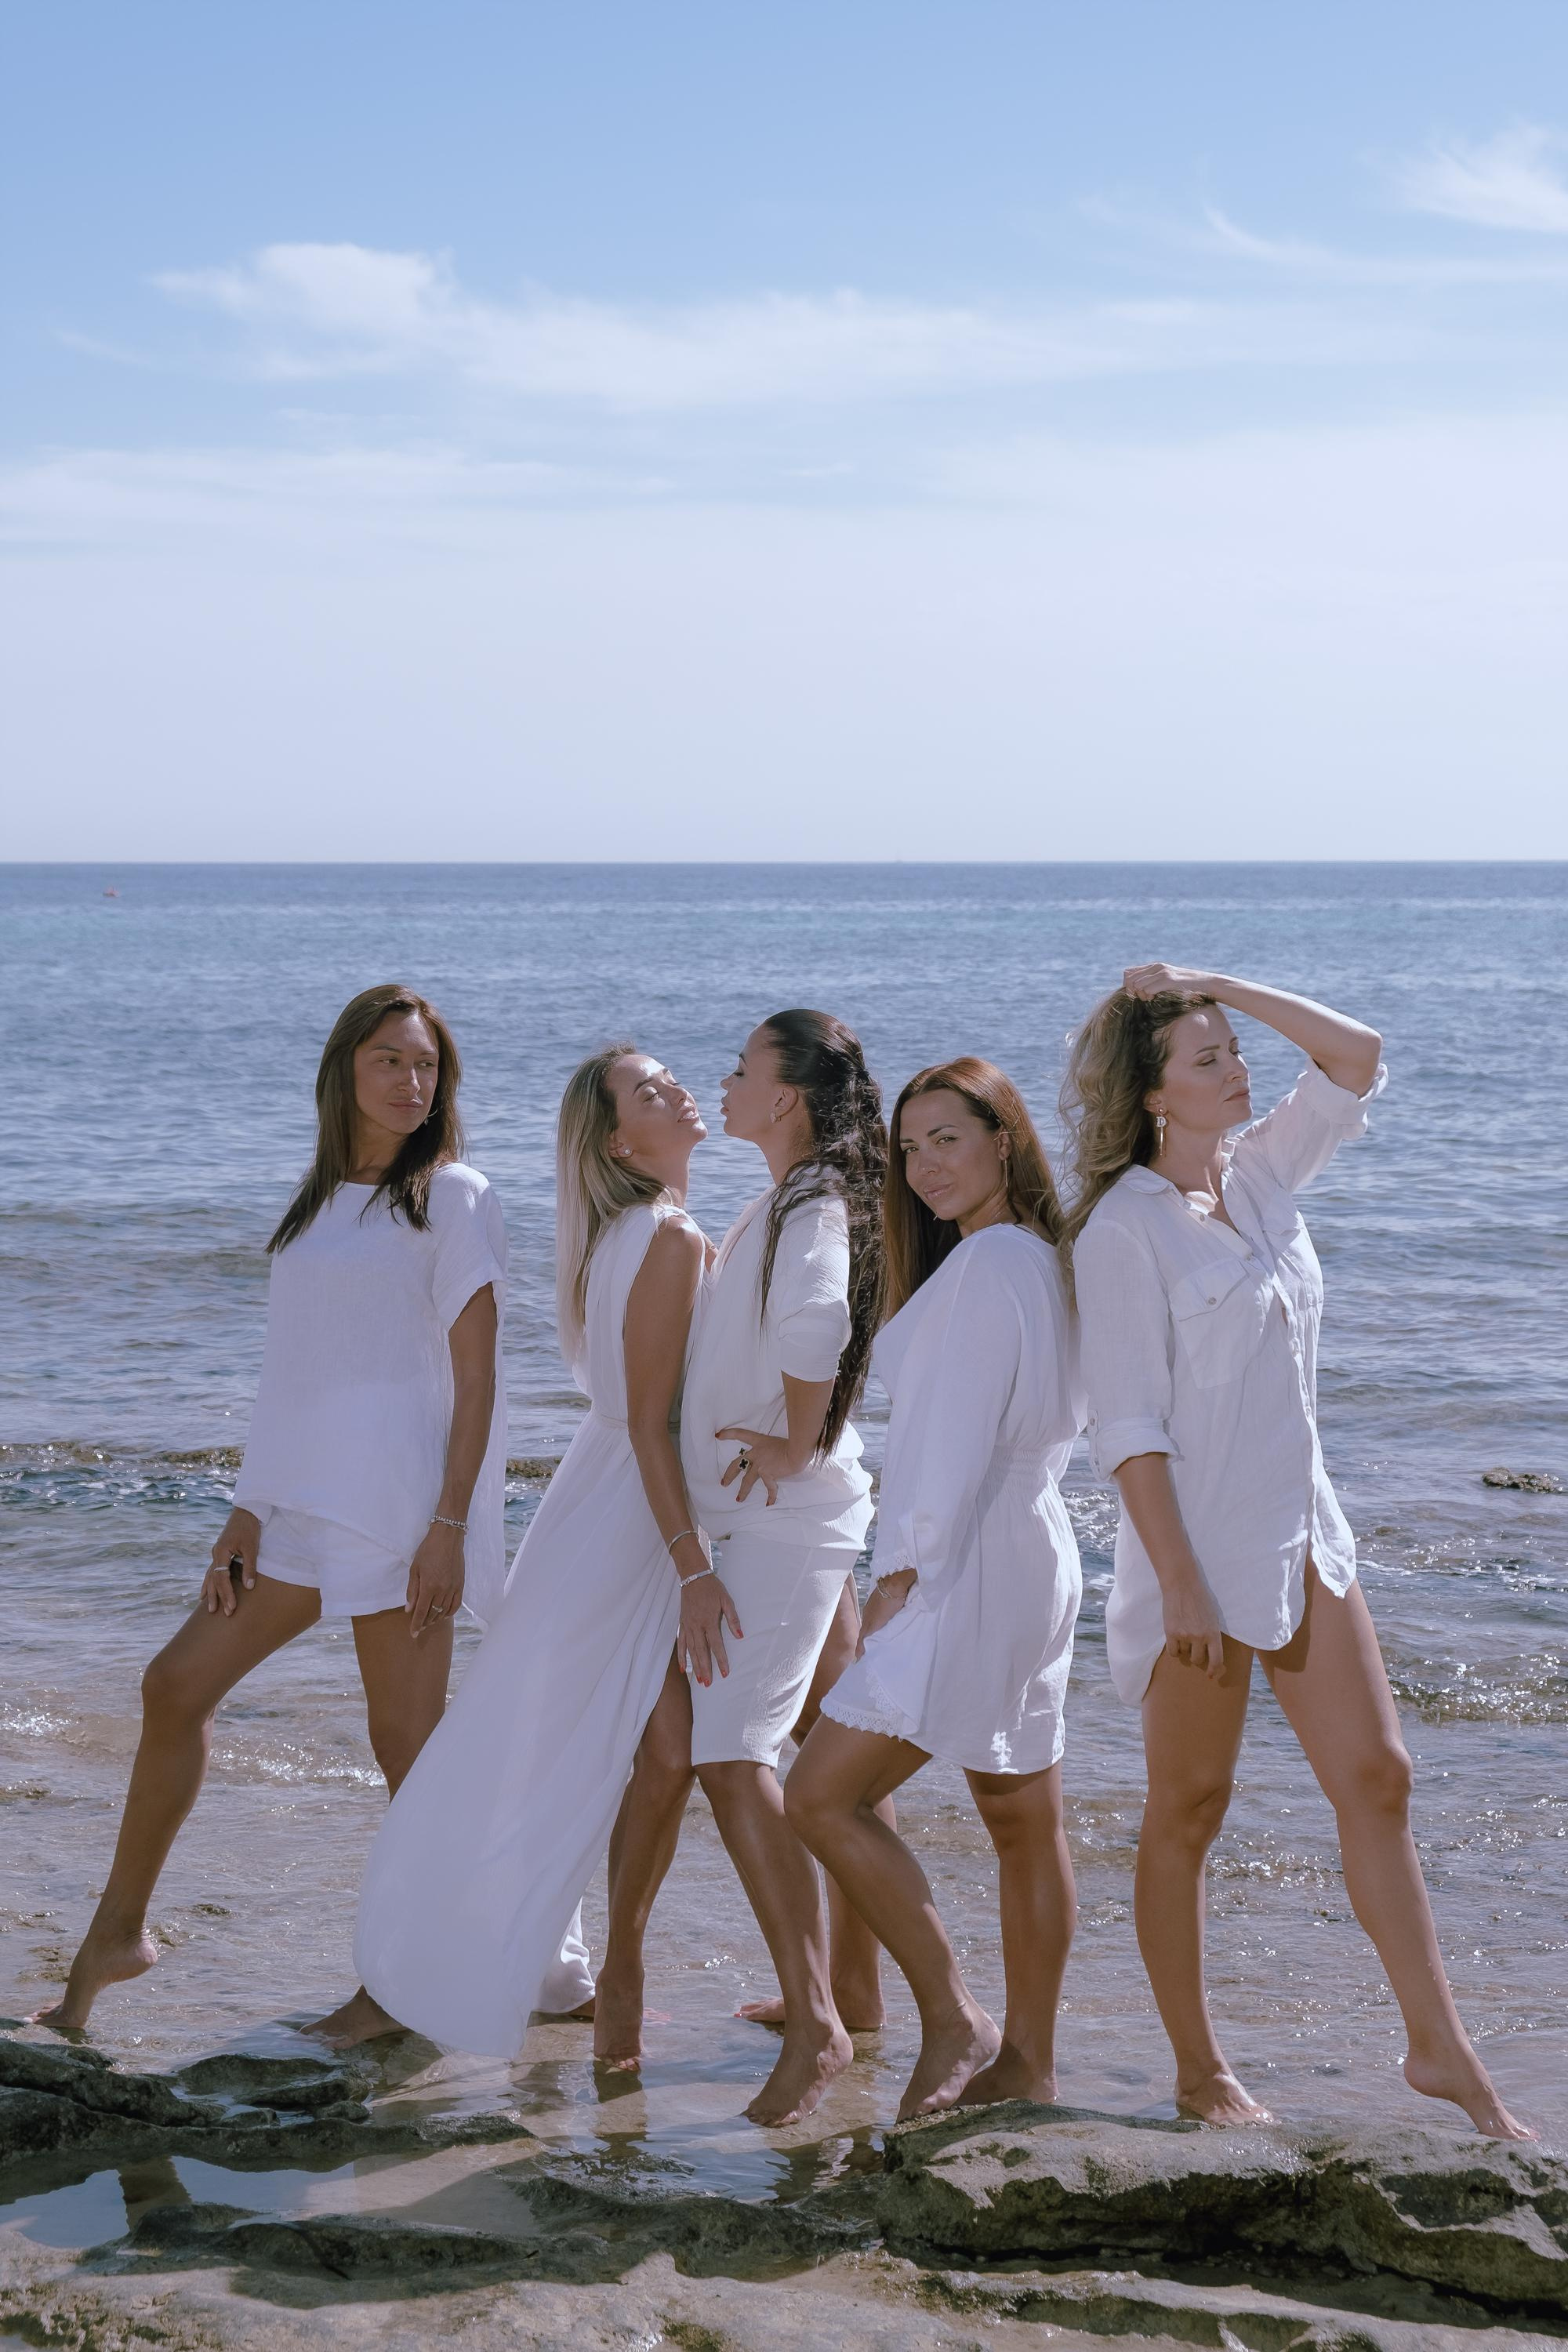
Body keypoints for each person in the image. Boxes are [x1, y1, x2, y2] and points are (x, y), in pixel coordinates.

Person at [1065, 963, 1534, 2141]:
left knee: (1381, 1779)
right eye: (1208, 1057)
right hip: (1199, 1564)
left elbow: (1359, 1054)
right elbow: (1128, 1430)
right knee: (1189, 1810)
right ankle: (1197, 2070)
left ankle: (1440, 2051)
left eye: (1232, 1048)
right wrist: (1177, 1581)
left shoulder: (1265, 1174)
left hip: (1307, 1537)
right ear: (1152, 1095)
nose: (1238, 1068)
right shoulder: (1123, 1231)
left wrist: (1218, 982)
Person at [32, 984, 513, 2034]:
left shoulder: (455, 1195)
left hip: (398, 1507)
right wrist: (247, 1505)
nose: (411, 1081)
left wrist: (450, 1527)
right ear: (346, 1068)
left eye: (427, 1066)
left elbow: (477, 1382)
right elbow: (295, 1372)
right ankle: (118, 1936)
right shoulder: (317, 1201)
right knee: (174, 1686)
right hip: (297, 1505)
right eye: (389, 1060)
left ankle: (406, 1986)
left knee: (408, 1748)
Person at [347, 1046, 710, 2057]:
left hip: (604, 1502)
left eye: (673, 1078)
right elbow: (652, 1424)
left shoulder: (630, 1234)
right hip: (630, 1515)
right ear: (615, 1141)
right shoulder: (667, 1237)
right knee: (593, 1746)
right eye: (649, 1092)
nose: (676, 1092)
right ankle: (470, 1971)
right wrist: (696, 1566)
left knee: (592, 1741)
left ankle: (556, 1970)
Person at [595, 1011, 886, 2127]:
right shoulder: (786, 1194)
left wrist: (800, 1439)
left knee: (730, 1751)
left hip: (785, 1522)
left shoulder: (809, 1200)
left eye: (743, 1069)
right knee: (805, 1746)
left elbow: (816, 1326)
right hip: (776, 1520)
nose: (723, 1080)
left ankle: (819, 2026)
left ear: (788, 1097)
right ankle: (845, 1998)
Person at [787, 1060, 1083, 2122]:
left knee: (821, 1794)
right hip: (1031, 1550)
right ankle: (1031, 2067)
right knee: (1024, 1823)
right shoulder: (1039, 1260)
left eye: (947, 1138)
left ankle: (959, 2020)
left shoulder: (987, 1268)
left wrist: (899, 1576)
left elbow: (949, 1443)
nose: (924, 1166)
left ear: (1004, 1139)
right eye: (910, 1149)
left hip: (964, 1559)